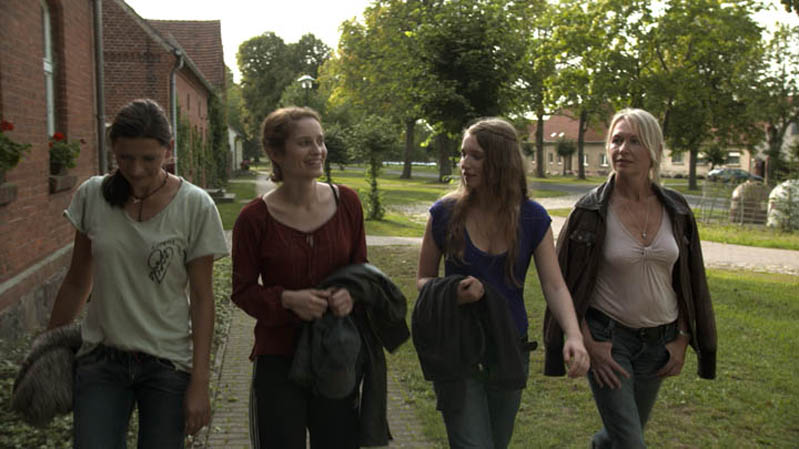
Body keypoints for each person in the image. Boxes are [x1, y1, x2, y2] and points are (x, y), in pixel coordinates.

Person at [46, 98, 228, 448]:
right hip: (101, 361)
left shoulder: (195, 205)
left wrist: (200, 382)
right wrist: (49, 350)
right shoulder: (93, 196)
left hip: (168, 366)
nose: (137, 169)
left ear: (168, 149)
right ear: (113, 149)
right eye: (125, 158)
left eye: (149, 158)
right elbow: (77, 279)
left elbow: (203, 301)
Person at [545, 108, 717, 448]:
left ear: (653, 150)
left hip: (660, 343)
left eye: (634, 141)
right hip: (608, 341)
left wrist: (682, 336)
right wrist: (586, 339)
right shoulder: (589, 211)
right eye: (616, 140)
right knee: (631, 441)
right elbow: (562, 283)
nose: (622, 149)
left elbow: (690, 280)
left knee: (620, 434)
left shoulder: (677, 210)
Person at [414, 117, 589, 449]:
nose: (464, 164)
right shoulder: (444, 215)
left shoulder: (532, 218)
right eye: (463, 154)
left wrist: (574, 335)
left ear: (500, 161)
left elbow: (554, 285)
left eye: (476, 156)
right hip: (459, 347)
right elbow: (423, 281)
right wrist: (452, 292)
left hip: (510, 348)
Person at [231, 106, 372, 449]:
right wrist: (285, 299)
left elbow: (362, 272)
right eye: (305, 143)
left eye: (320, 141)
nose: (318, 151)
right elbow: (243, 291)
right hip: (278, 358)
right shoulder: (254, 219)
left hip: (336, 353)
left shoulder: (347, 203)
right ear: (276, 153)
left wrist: (350, 294)